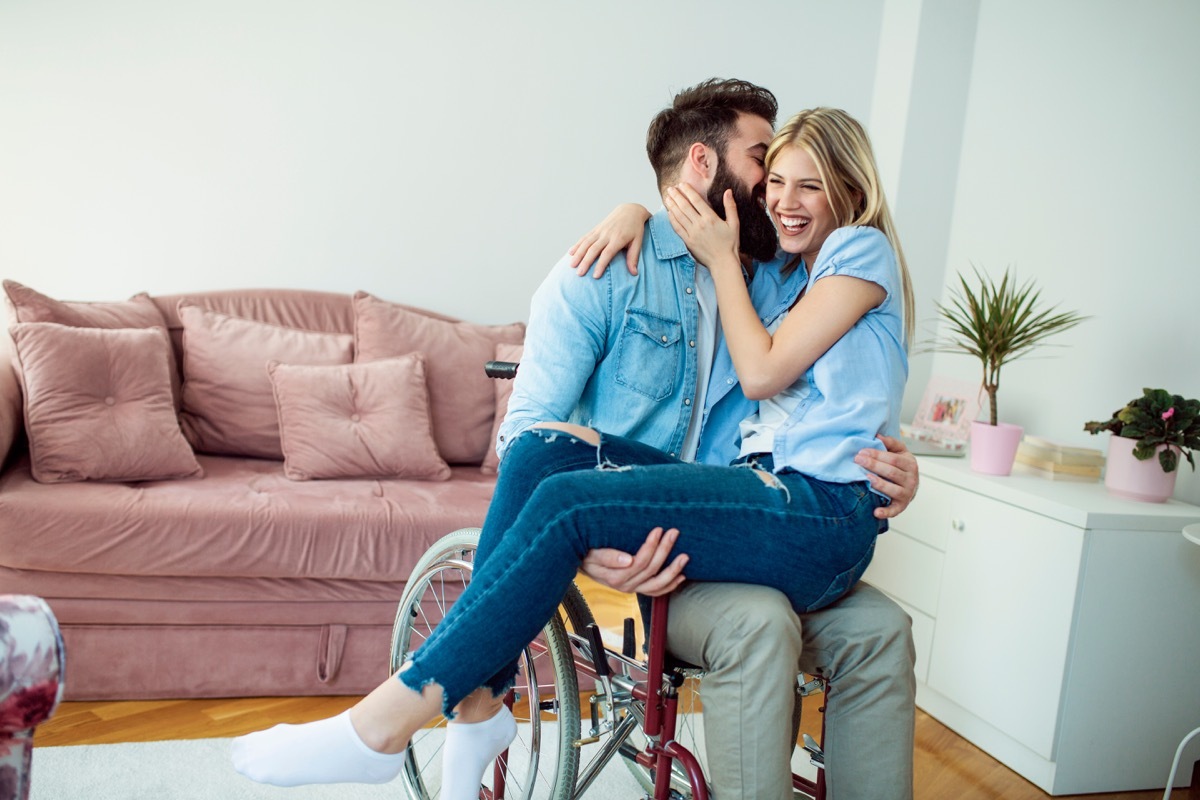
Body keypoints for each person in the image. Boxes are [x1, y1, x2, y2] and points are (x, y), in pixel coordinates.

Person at [231, 85, 916, 799]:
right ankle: (475, 700)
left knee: (571, 503)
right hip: (664, 526)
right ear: (705, 166)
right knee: (546, 457)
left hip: (761, 507)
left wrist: (903, 465)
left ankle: (388, 723)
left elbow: (826, 377)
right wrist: (639, 217)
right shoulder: (603, 270)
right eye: (766, 169)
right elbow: (523, 432)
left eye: (797, 180)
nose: (777, 194)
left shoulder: (776, 273)